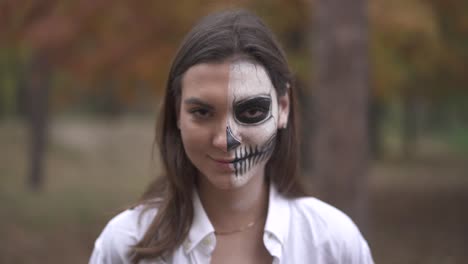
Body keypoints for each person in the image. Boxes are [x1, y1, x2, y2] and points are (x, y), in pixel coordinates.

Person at [89, 9, 374, 264]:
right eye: (202, 112)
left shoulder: (332, 243)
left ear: (283, 107)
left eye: (250, 112)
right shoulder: (127, 244)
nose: (225, 140)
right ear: (177, 113)